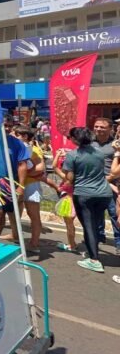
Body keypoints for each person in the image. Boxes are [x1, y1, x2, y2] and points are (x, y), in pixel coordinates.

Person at [62, 127, 113, 273]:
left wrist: (65, 171)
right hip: (104, 193)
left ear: (74, 139)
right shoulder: (99, 153)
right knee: (96, 225)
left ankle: (94, 260)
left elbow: (70, 179)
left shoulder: (72, 155)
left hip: (84, 194)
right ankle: (93, 252)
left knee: (88, 227)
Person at [0, 119, 30, 239]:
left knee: (5, 214)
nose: (7, 128)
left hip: (11, 183)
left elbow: (22, 165)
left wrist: (21, 187)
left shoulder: (17, 143)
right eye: (4, 125)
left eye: (9, 126)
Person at [91, 117, 120, 255]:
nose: (98, 129)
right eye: (96, 126)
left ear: (110, 128)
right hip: (94, 183)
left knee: (115, 214)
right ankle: (98, 238)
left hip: (113, 183)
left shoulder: (116, 144)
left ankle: (119, 243)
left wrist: (109, 178)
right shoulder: (90, 143)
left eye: (102, 127)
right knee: (96, 213)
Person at [14, 126, 45, 253]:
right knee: (16, 213)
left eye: (16, 134)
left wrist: (27, 173)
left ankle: (35, 242)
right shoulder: (16, 147)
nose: (13, 137)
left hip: (31, 185)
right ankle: (15, 235)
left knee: (33, 215)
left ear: (25, 136)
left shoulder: (34, 149)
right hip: (18, 184)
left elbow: (39, 168)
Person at [53, 148, 78, 252]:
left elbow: (54, 166)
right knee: (71, 224)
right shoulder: (78, 176)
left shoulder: (66, 178)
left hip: (68, 202)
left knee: (69, 226)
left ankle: (71, 245)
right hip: (76, 200)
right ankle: (73, 243)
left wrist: (58, 154)